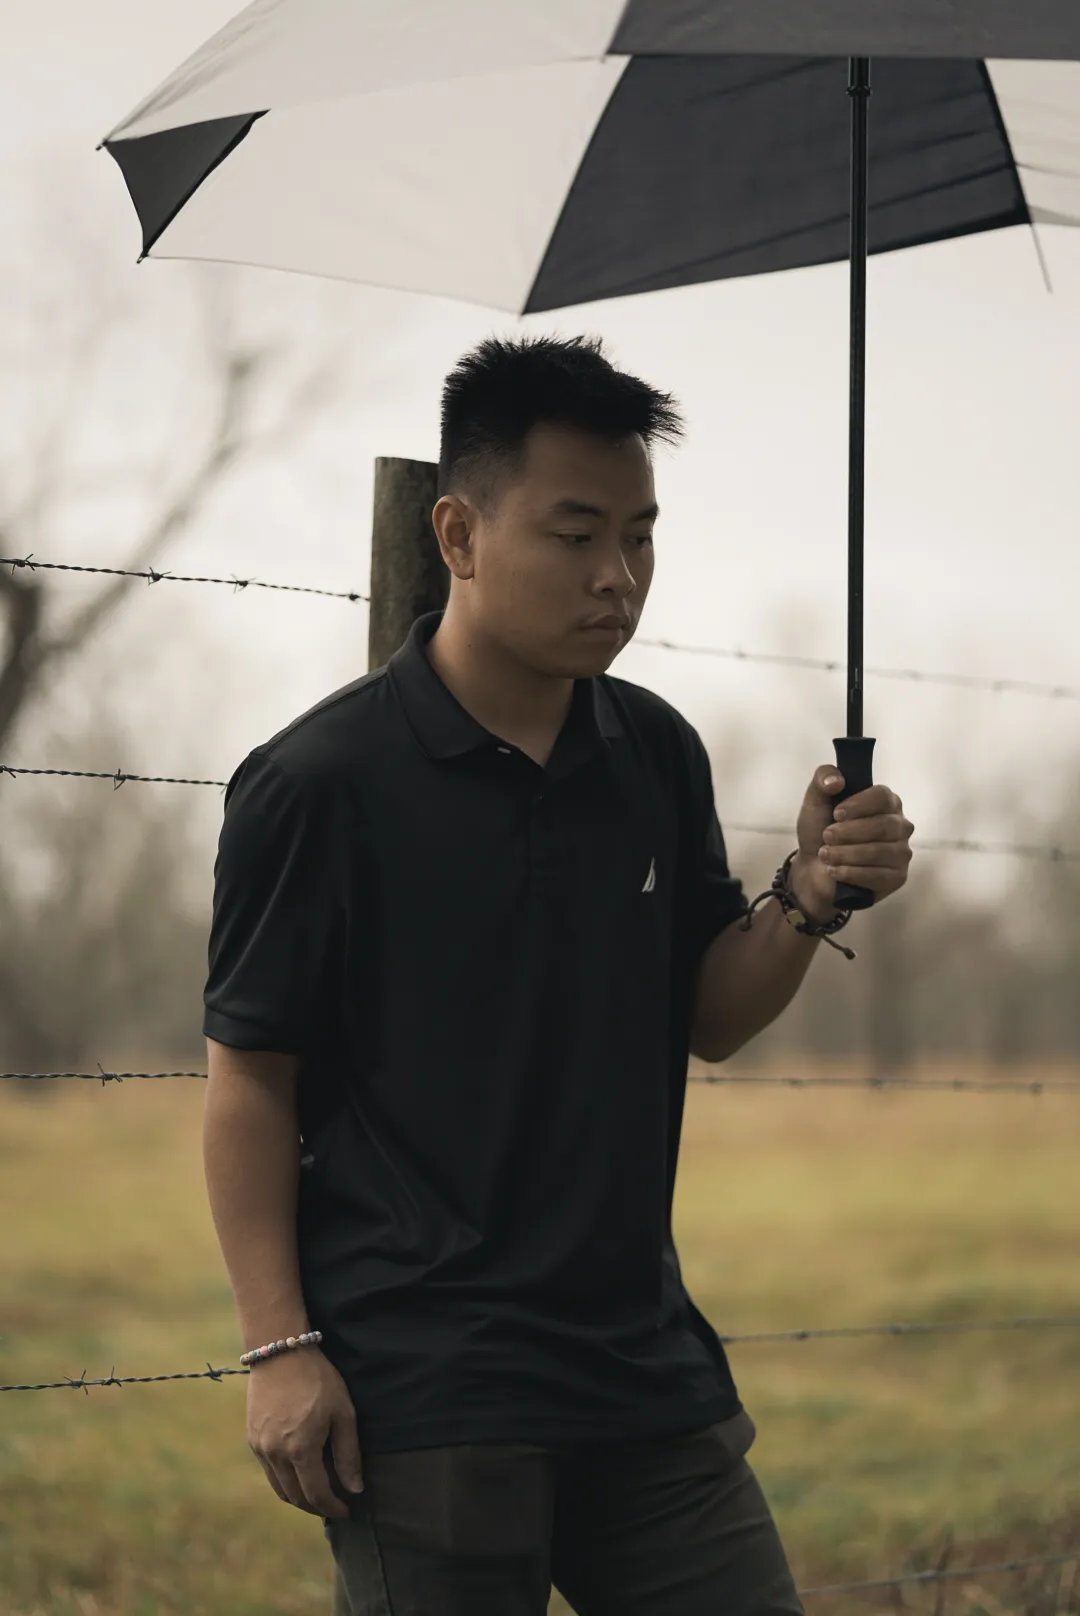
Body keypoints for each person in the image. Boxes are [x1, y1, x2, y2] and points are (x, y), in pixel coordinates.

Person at [201, 334, 913, 1616]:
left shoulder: (654, 753)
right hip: (426, 1394)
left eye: (640, 535)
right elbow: (250, 1077)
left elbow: (708, 1014)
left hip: (643, 1372)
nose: (619, 577)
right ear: (459, 535)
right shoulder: (318, 786)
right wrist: (279, 1346)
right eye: (576, 534)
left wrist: (807, 895)